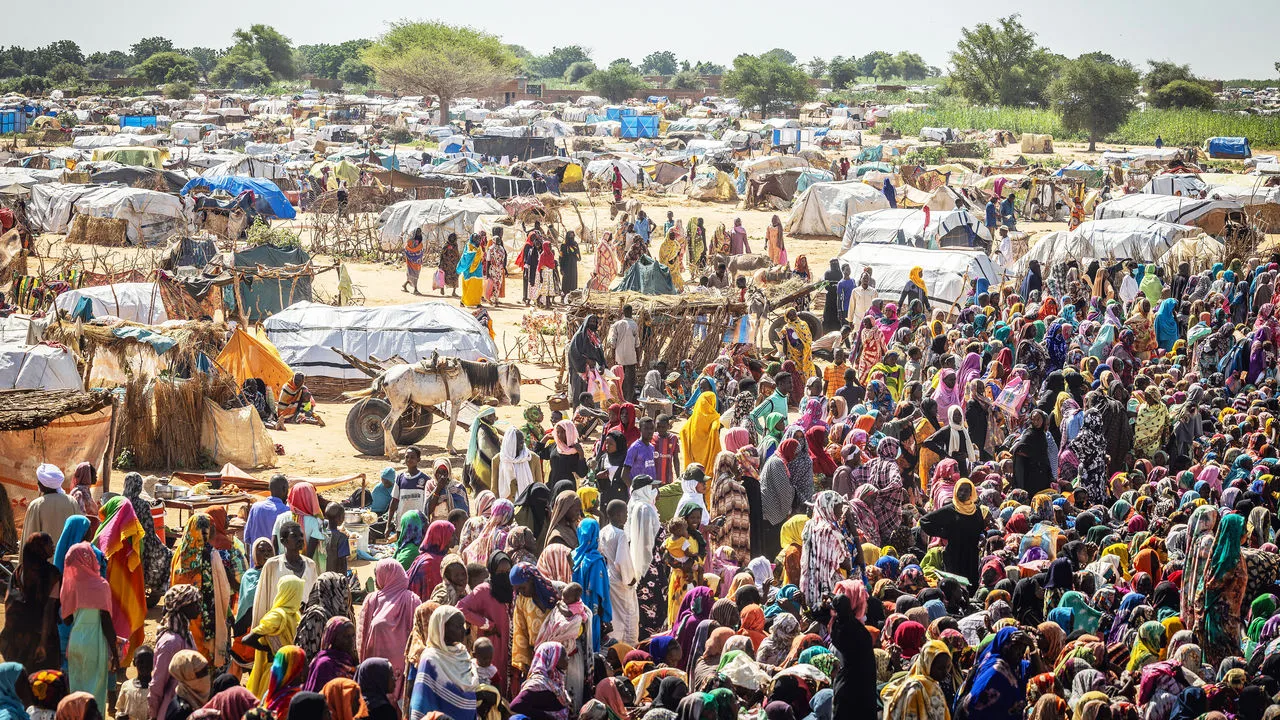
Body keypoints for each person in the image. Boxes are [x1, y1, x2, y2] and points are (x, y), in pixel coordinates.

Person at [60, 543, 117, 709]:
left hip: (76, 642)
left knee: (77, 690)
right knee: (95, 692)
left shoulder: (70, 586)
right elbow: (106, 622)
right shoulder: (101, 586)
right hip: (95, 643)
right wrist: (114, 651)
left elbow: (67, 621)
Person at [357, 560, 420, 700]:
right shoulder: (372, 600)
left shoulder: (412, 601)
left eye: (377, 574)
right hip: (375, 668)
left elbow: (418, 636)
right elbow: (362, 634)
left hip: (402, 669)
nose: (375, 579)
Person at [1, 532, 61, 671]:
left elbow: (11, 600)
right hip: (41, 636)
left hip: (20, 635)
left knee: (22, 677)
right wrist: (43, 643)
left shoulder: (20, 570)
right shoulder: (52, 574)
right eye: (49, 544)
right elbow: (49, 609)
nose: (53, 546)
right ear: (39, 548)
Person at [408, 606, 477, 720]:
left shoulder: (463, 653)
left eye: (463, 625)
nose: (463, 630)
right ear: (441, 627)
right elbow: (421, 700)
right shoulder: (430, 659)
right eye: (458, 626)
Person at [23, 465, 78, 552]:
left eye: (40, 481)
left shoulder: (36, 505)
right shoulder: (72, 502)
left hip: (43, 562)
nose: (38, 483)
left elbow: (29, 537)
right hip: (68, 560)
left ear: (44, 484)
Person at [244, 475, 290, 564]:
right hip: (276, 565)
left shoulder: (255, 507)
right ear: (285, 489)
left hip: (256, 564)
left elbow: (247, 538)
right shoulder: (286, 512)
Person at [567, 315, 607, 408]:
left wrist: (603, 364)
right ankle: (579, 417)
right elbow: (573, 352)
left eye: (594, 322)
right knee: (581, 396)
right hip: (580, 373)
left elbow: (600, 352)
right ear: (586, 322)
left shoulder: (595, 337)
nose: (592, 323)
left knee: (594, 398)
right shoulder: (579, 336)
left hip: (594, 373)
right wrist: (586, 361)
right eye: (591, 321)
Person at [608, 306, 641, 403]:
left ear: (623, 312)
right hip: (631, 359)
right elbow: (637, 344)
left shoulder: (617, 324)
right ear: (631, 312)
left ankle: (619, 400)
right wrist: (638, 360)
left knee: (619, 382)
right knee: (629, 383)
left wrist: (613, 357)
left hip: (619, 359)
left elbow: (613, 343)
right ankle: (628, 401)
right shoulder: (634, 324)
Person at [457, 235, 486, 308]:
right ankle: (463, 301)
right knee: (468, 286)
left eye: (479, 239)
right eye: (476, 239)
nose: (478, 240)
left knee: (477, 286)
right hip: (469, 270)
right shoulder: (469, 246)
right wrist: (473, 253)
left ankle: (477, 302)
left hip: (477, 270)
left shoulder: (479, 247)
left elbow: (481, 256)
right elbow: (466, 257)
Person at [403, 228, 425, 295]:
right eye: (417, 232)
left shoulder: (420, 242)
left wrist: (417, 254)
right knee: (413, 275)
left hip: (417, 262)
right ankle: (415, 289)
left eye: (420, 232)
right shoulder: (410, 241)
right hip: (410, 261)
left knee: (414, 274)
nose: (419, 233)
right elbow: (407, 249)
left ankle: (404, 285)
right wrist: (413, 254)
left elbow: (420, 251)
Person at [438, 233, 460, 298]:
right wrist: (440, 263)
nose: (452, 239)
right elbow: (442, 254)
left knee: (455, 277)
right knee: (444, 276)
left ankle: (454, 292)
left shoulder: (456, 245)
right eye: (451, 237)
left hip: (454, 264)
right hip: (446, 264)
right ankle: (442, 288)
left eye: (454, 237)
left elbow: (457, 254)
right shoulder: (446, 245)